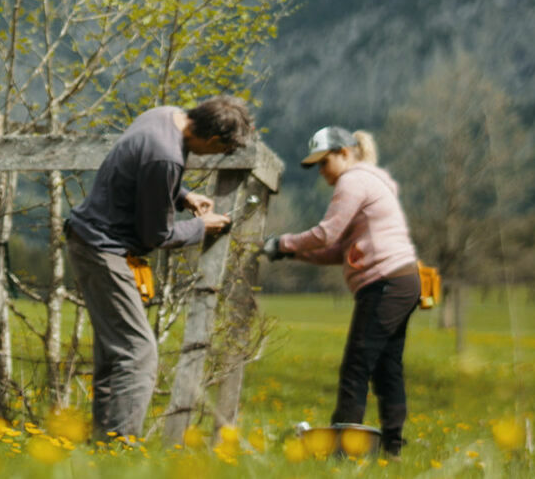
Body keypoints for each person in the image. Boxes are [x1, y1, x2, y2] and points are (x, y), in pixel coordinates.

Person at [64, 95, 256, 443]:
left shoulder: (163, 116)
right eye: (221, 151)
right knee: (139, 353)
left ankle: (103, 448)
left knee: (115, 354)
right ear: (214, 140)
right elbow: (155, 235)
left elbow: (141, 170)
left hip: (89, 240)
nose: (215, 157)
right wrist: (202, 227)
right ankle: (119, 448)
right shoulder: (166, 155)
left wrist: (183, 196)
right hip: (104, 250)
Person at [263, 126, 421, 456]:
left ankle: (342, 452)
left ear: (345, 153)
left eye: (324, 161)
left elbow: (326, 233)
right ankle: (392, 449)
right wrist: (292, 252)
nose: (321, 171)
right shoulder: (371, 181)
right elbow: (337, 251)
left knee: (356, 367)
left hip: (385, 283)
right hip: (402, 280)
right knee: (386, 367)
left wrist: (283, 242)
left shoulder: (354, 181)